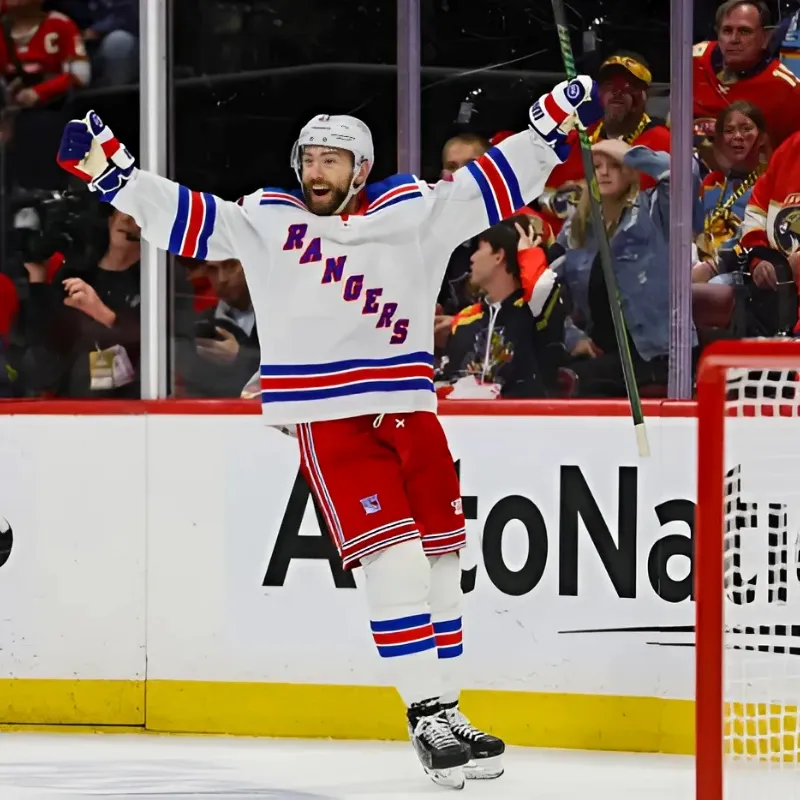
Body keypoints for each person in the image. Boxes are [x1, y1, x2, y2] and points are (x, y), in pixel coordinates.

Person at [55, 78, 600, 789]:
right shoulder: (270, 218)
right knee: (396, 563)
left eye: (330, 161)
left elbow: (489, 188)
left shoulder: (412, 213)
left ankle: (449, 708)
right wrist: (111, 174)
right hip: (330, 416)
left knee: (443, 564)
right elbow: (189, 218)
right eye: (308, 158)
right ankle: (425, 712)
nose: (315, 171)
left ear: (361, 169)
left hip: (410, 407)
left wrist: (551, 124)